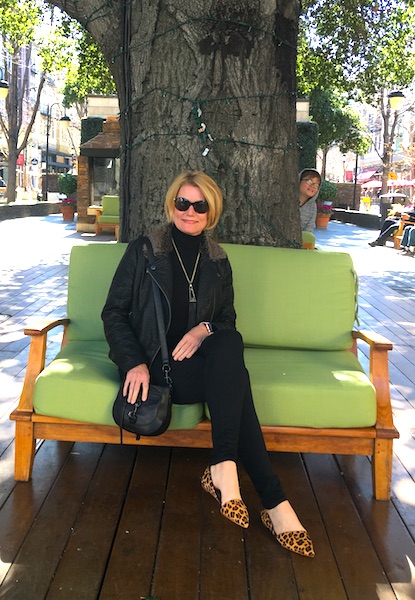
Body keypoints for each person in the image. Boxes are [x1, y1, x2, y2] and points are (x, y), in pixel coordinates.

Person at [101, 170, 315, 558]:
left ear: (211, 211)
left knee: (228, 343)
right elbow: (114, 312)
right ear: (172, 205)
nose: (190, 211)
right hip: (156, 369)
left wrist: (203, 329)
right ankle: (273, 501)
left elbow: (227, 320)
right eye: (183, 202)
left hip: (199, 367)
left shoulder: (217, 260)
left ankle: (225, 469)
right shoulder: (145, 250)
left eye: (200, 205)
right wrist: (133, 362)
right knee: (237, 385)